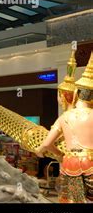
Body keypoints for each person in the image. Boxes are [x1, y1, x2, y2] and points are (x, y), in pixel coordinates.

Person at [36, 52, 93, 203]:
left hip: (69, 163)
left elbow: (46, 144)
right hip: (91, 162)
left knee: (74, 200)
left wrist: (60, 154)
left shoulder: (63, 117)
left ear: (76, 94)